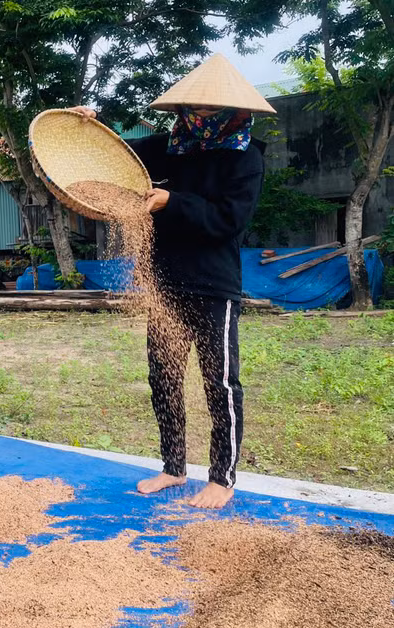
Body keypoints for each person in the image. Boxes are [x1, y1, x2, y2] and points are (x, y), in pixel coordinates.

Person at [71, 54, 274, 509]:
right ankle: (174, 467)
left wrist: (171, 203)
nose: (199, 117)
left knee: (219, 382)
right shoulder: (164, 147)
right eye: (193, 108)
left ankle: (222, 478)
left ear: (233, 111)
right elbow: (110, 162)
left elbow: (229, 220)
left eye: (209, 110)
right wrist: (86, 127)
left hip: (213, 285)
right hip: (163, 283)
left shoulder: (246, 156)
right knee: (163, 377)